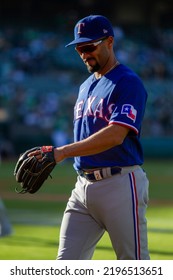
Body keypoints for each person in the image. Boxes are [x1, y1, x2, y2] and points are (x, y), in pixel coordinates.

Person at [30, 15, 150, 260]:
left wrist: (62, 152)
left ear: (109, 42)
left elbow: (116, 134)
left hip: (119, 183)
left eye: (89, 46)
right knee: (66, 266)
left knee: (134, 266)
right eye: (78, 48)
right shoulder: (85, 86)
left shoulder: (127, 82)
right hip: (82, 186)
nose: (83, 53)